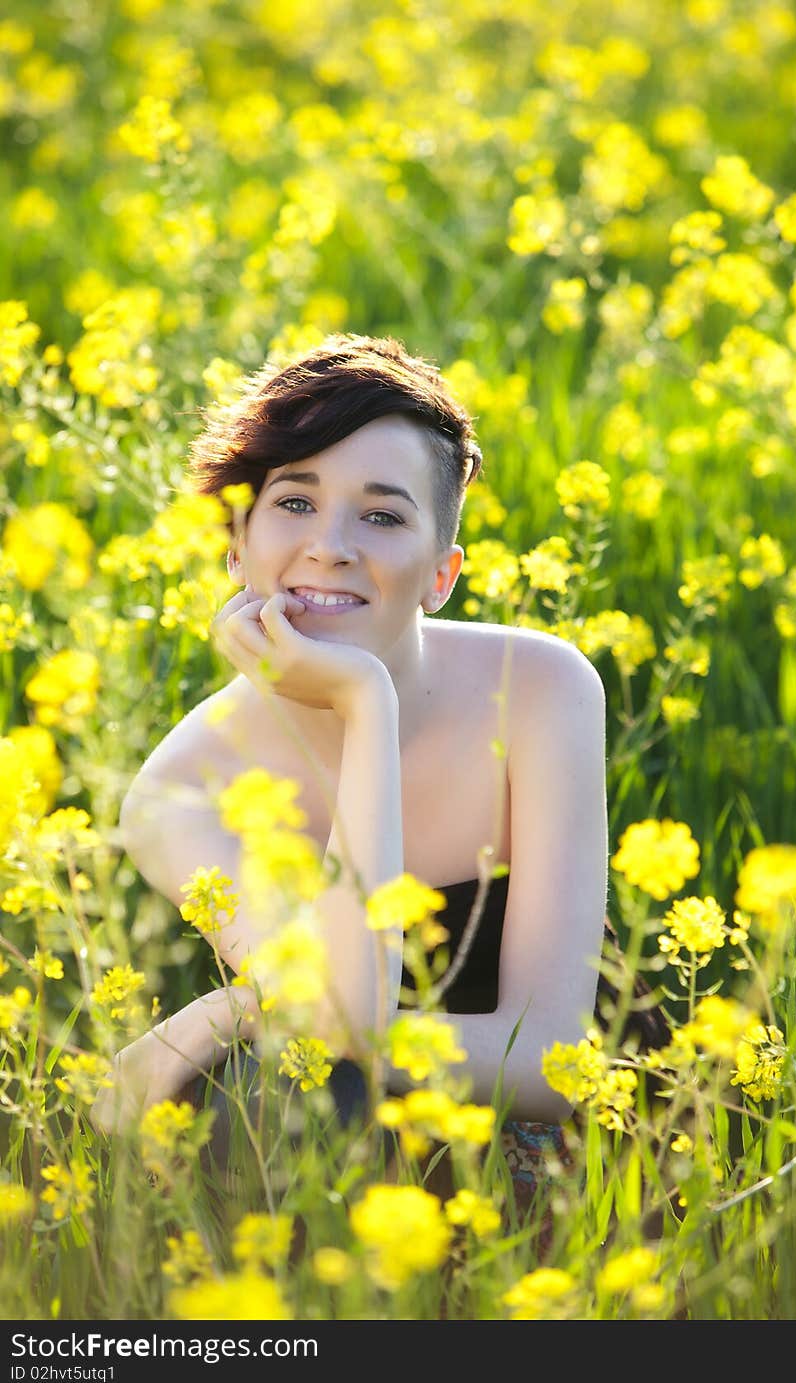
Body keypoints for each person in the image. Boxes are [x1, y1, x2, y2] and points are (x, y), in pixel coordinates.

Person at [90, 332, 613, 1234]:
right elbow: (342, 1026)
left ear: (441, 576)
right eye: (293, 500)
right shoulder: (183, 790)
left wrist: (228, 1008)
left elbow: (553, 1062)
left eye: (381, 516)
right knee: (274, 1104)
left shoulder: (539, 687)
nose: (328, 547)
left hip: (560, 1143)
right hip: (334, 1142)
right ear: (235, 548)